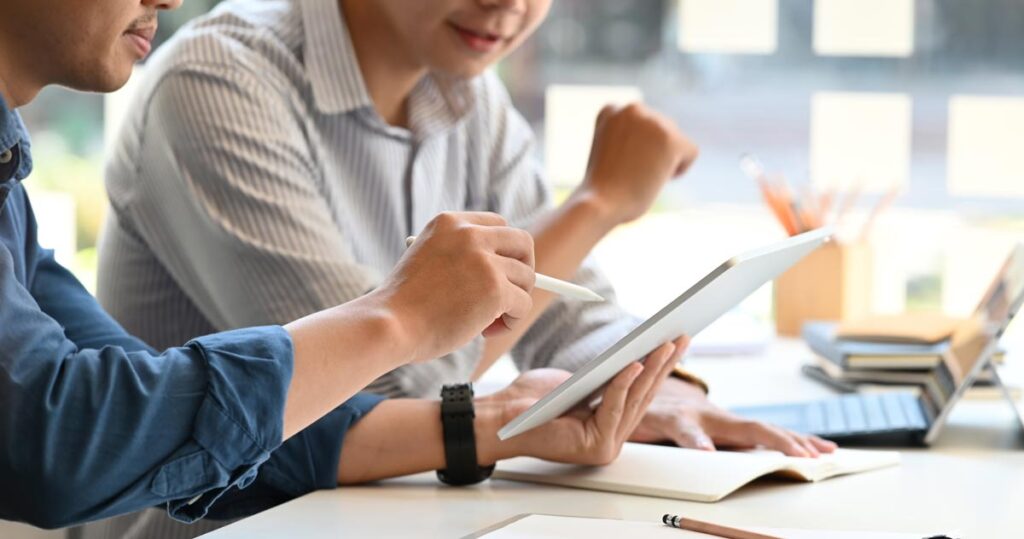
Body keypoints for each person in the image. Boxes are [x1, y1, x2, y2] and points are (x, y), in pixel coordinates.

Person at [0, 0, 651, 528]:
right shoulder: (216, 75)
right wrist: (399, 317)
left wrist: (503, 423)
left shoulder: (8, 186)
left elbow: (146, 399)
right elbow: (63, 439)